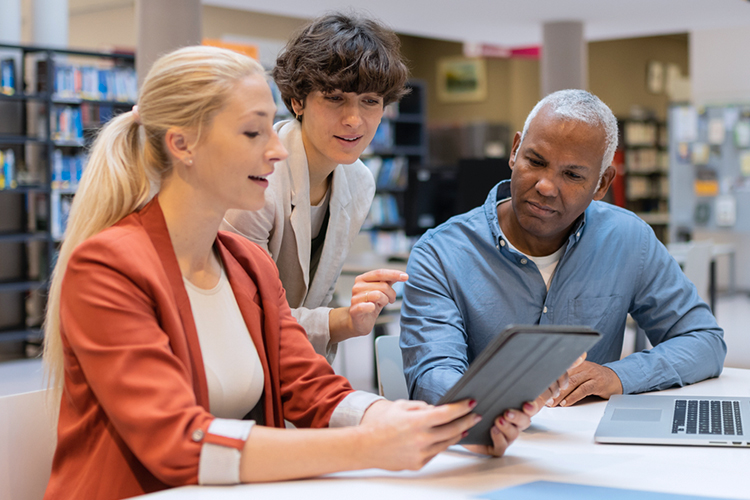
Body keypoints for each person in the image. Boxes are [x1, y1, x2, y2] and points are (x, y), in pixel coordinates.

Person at [40, 46, 552, 500]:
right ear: (183, 145)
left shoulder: (246, 264)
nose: (278, 149)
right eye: (252, 131)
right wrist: (366, 446)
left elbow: (307, 386)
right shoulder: (108, 268)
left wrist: (412, 421)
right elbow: (177, 443)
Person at [400, 89, 726, 407]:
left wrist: (619, 376)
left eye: (571, 174)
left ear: (601, 184)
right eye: (536, 161)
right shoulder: (440, 254)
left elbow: (704, 341)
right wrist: (497, 405)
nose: (545, 186)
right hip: (484, 444)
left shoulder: (628, 239)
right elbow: (434, 378)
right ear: (515, 151)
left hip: (590, 447)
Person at [221, 13, 409, 362]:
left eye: (370, 101)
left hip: (291, 365)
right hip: (228, 363)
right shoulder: (257, 175)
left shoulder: (359, 181)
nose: (354, 119)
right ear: (297, 102)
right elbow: (242, 310)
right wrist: (342, 322)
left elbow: (314, 299)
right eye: (336, 98)